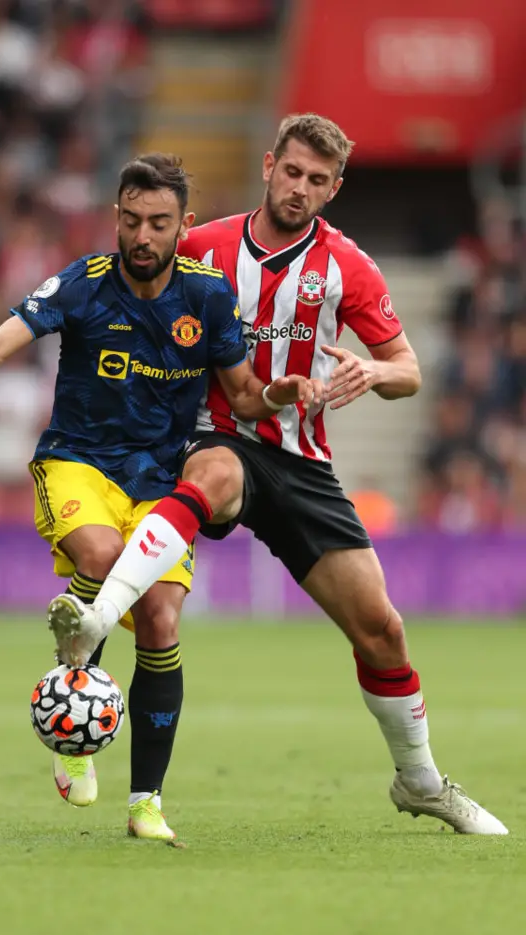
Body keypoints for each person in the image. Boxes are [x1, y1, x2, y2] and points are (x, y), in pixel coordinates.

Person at [54, 117, 508, 836]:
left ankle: (419, 780)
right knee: (214, 474)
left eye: (317, 180)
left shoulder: (347, 266)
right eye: (292, 172)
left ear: (335, 189)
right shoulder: (202, 244)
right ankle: (100, 615)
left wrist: (375, 367)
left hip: (301, 461)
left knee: (382, 630)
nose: (300, 188)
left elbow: (410, 371)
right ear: (269, 166)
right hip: (216, 435)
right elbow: (129, 283)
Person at [0, 152, 319, 842]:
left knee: (159, 620)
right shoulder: (84, 283)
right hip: (78, 464)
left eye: (158, 222)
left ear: (183, 226)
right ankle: (79, 728)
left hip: (163, 482)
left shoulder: (208, 296)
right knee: (101, 551)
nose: (142, 235)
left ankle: (145, 800)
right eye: (131, 220)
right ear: (115, 219)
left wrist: (281, 392)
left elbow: (243, 393)